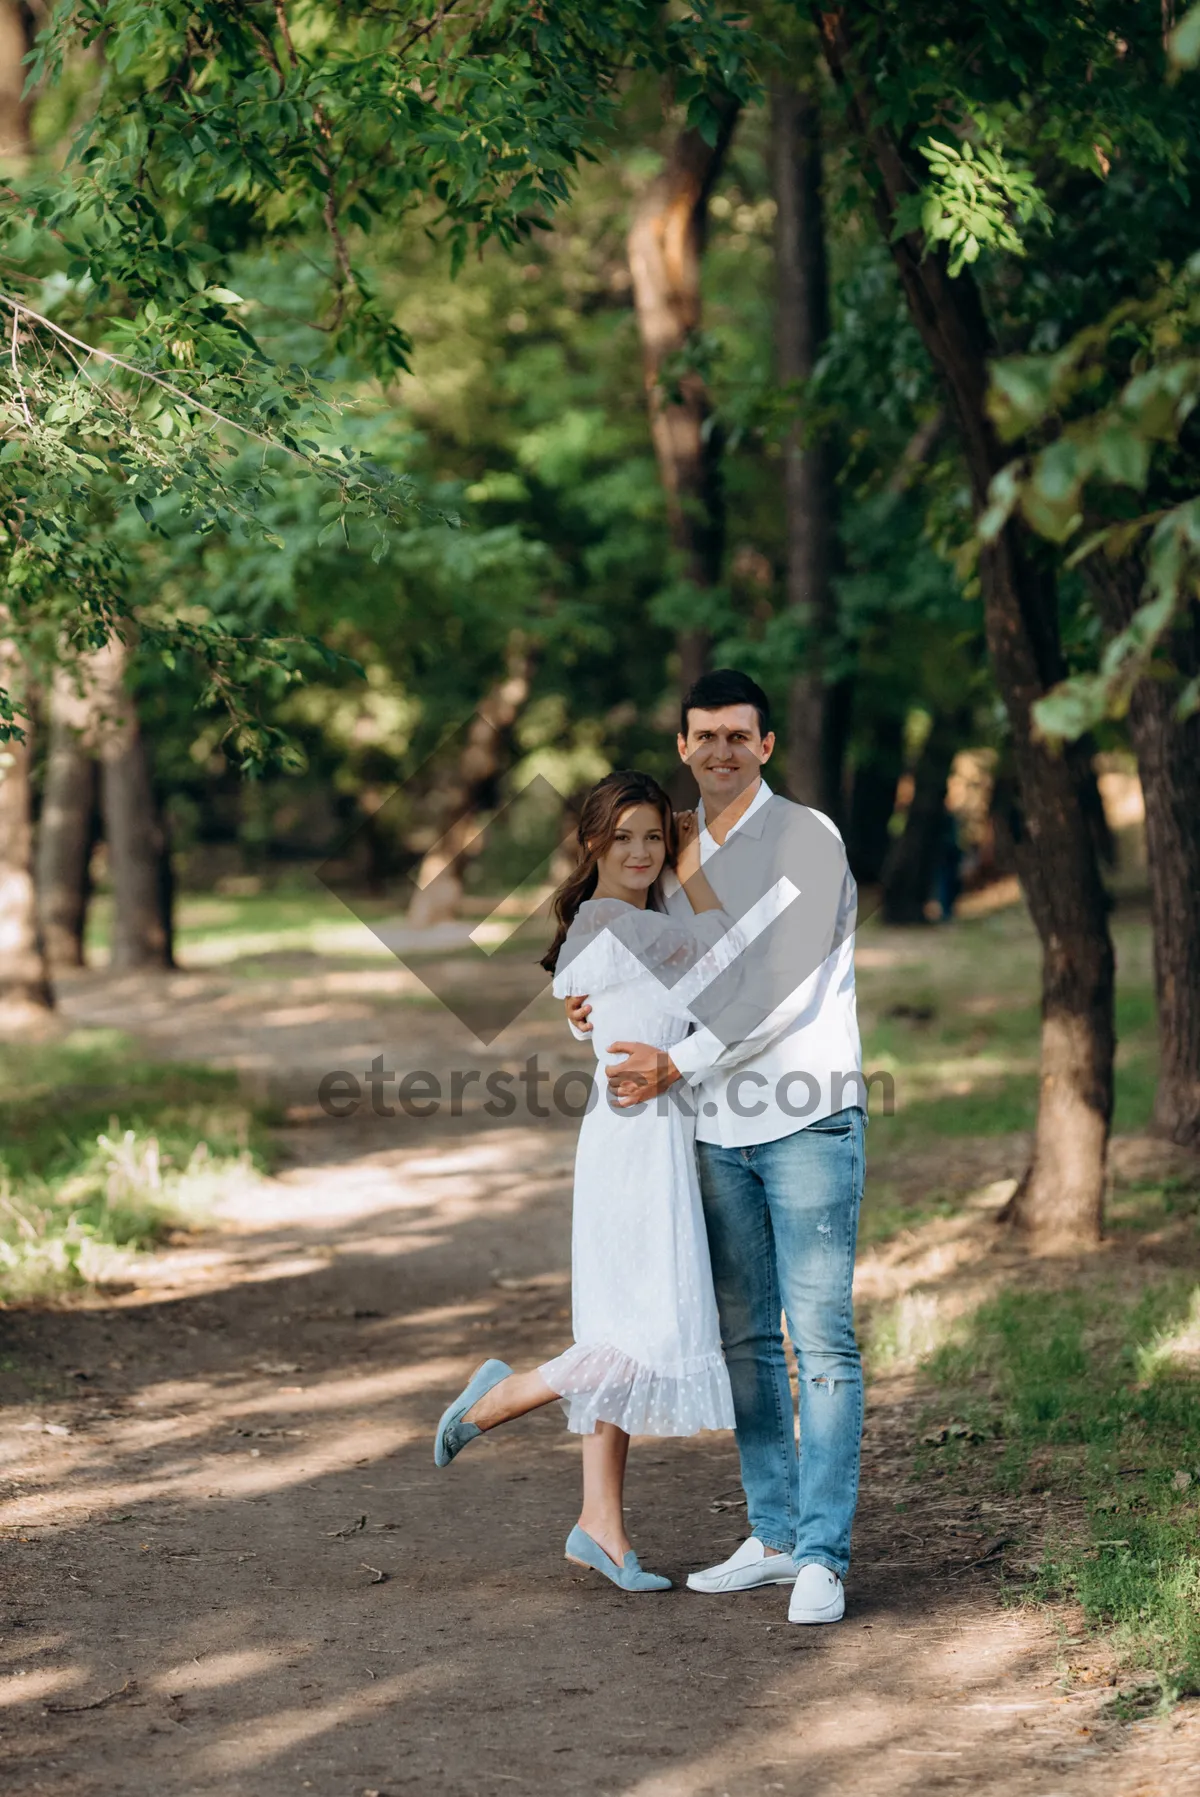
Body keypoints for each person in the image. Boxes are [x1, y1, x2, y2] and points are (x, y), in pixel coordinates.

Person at [567, 670, 866, 1626]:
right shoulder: (679, 846)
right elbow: (649, 965)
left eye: (740, 735)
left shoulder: (806, 837)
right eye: (705, 736)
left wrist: (676, 1062)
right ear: (685, 743)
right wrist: (591, 1010)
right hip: (714, 1129)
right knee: (746, 1341)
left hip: (806, 1116)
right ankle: (773, 1534)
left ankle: (822, 1551)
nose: (722, 751)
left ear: (766, 745)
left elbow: (782, 988)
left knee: (818, 1340)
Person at [433, 769, 753, 1593]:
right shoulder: (618, 920)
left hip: (649, 1135)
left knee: (629, 1322)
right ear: (594, 845)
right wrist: (692, 859)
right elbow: (730, 956)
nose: (643, 853)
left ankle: (599, 1526)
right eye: (627, 839)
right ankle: (497, 1401)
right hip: (634, 1146)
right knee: (637, 1333)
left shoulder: (620, 923)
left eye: (656, 836)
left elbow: (618, 1010)